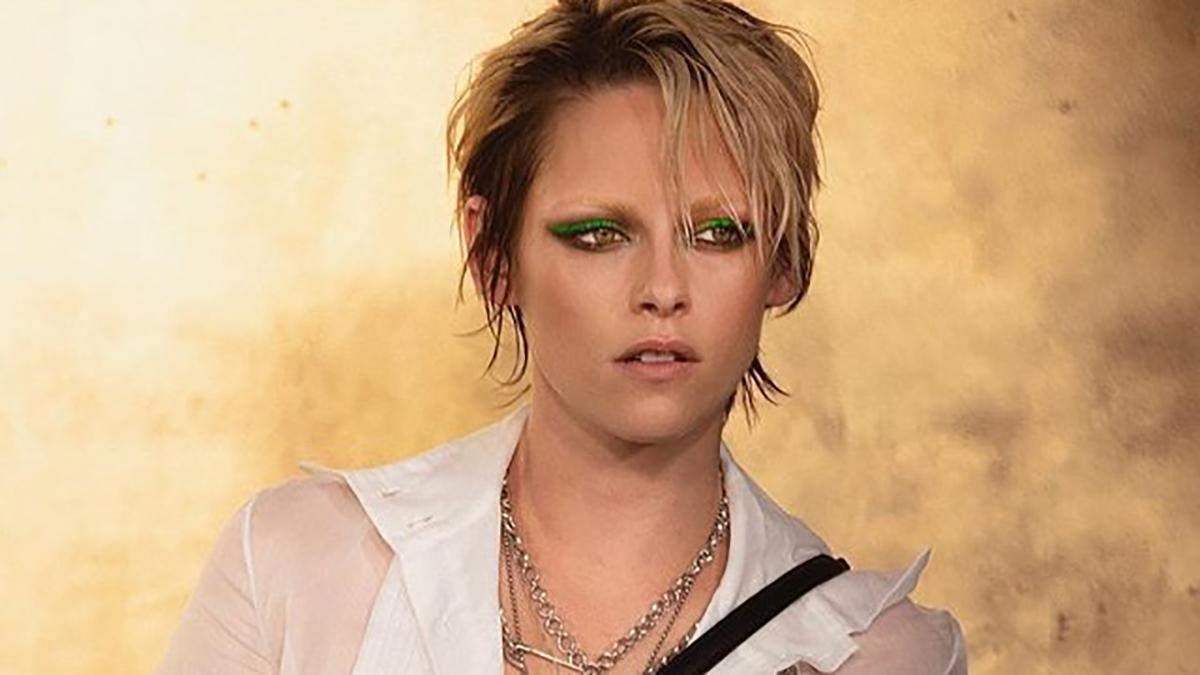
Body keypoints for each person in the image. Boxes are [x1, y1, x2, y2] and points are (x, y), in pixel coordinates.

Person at [157, 1, 968, 673]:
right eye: (597, 235)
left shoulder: (876, 653)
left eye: (718, 233)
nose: (663, 288)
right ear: (492, 255)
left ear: (783, 264)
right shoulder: (300, 566)